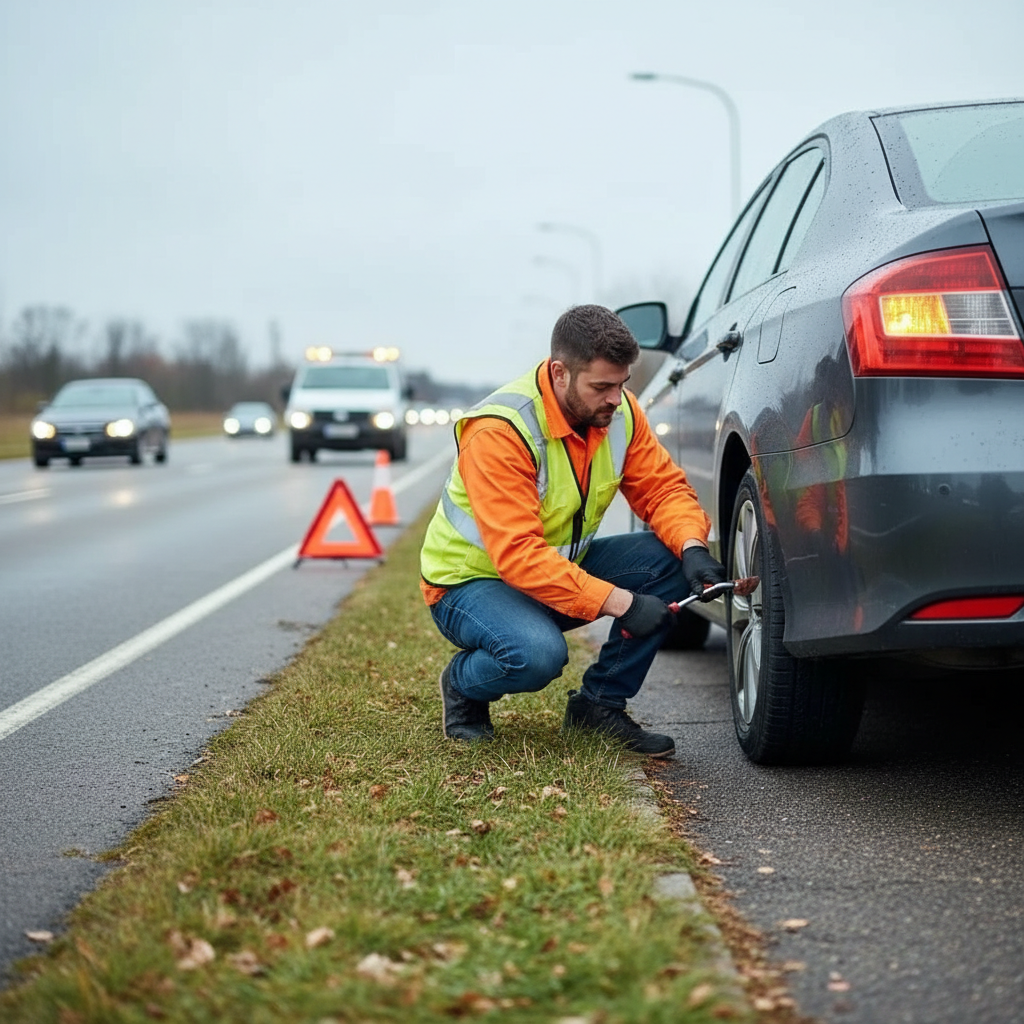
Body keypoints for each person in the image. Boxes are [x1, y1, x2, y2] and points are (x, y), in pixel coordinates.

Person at [419, 304, 727, 757]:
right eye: (601, 386)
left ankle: (599, 707)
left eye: (621, 385)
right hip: (469, 585)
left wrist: (693, 546)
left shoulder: (619, 413)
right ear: (559, 373)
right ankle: (463, 685)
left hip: (553, 572)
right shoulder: (501, 431)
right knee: (537, 656)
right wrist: (623, 604)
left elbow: (662, 490)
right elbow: (520, 555)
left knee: (669, 559)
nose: (614, 399)